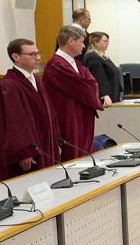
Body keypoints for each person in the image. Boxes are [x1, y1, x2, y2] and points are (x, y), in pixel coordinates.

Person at [0, 38, 59, 179]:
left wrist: (56, 140)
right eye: (32, 54)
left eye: (38, 53)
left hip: (45, 143)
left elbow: (50, 113)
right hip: (29, 152)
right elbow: (13, 122)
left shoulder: (37, 80)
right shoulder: (9, 85)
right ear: (16, 57)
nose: (38, 57)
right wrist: (24, 152)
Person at [43, 25, 106, 161]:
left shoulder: (75, 64)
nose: (84, 46)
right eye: (82, 42)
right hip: (68, 117)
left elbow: (92, 83)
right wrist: (91, 86)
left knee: (84, 155)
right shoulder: (56, 64)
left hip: (81, 115)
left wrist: (91, 86)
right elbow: (86, 87)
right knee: (72, 156)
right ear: (71, 41)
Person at [82, 31, 122, 104]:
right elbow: (99, 77)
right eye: (105, 41)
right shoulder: (92, 57)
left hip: (112, 95)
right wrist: (105, 95)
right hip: (103, 99)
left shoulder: (103, 56)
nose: (108, 43)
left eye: (108, 41)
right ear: (96, 42)